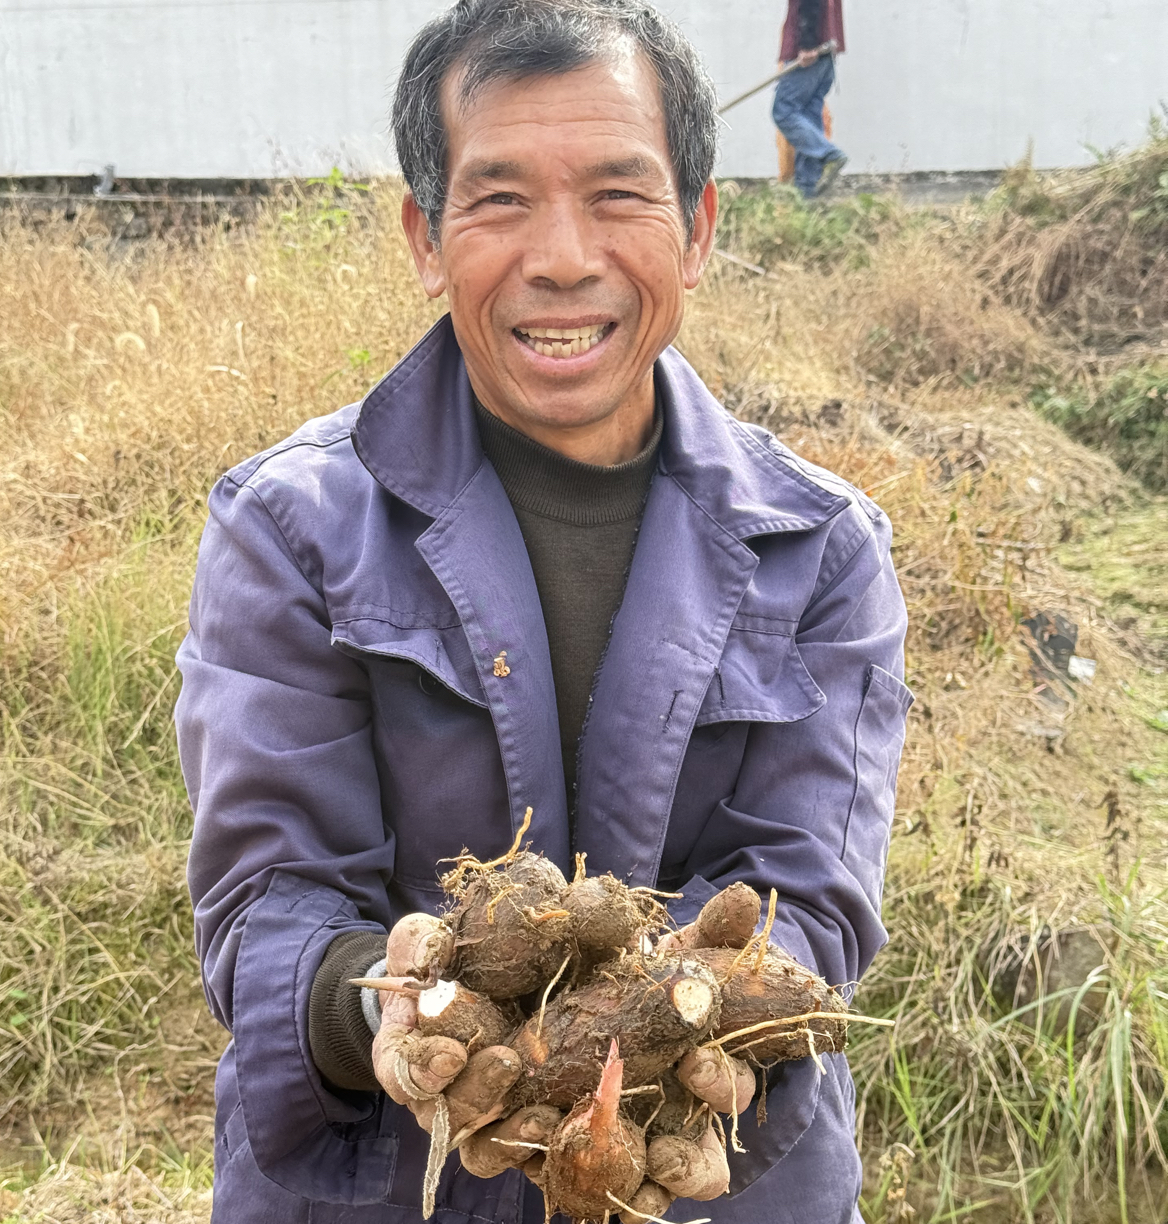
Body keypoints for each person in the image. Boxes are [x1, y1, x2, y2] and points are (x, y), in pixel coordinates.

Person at [174, 1, 912, 1221]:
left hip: (711, 1182)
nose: (563, 256)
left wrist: (665, 1039)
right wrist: (396, 1008)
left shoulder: (821, 549)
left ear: (699, 229)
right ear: (426, 235)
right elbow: (271, 900)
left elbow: (809, 893)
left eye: (620, 195)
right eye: (502, 198)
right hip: (384, 1184)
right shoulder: (288, 527)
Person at [772, 0, 848, 198]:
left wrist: (807, 44)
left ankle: (827, 154)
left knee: (784, 111)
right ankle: (807, 193)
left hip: (811, 54)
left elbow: (809, 3)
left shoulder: (809, 45)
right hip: (826, 53)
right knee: (809, 118)